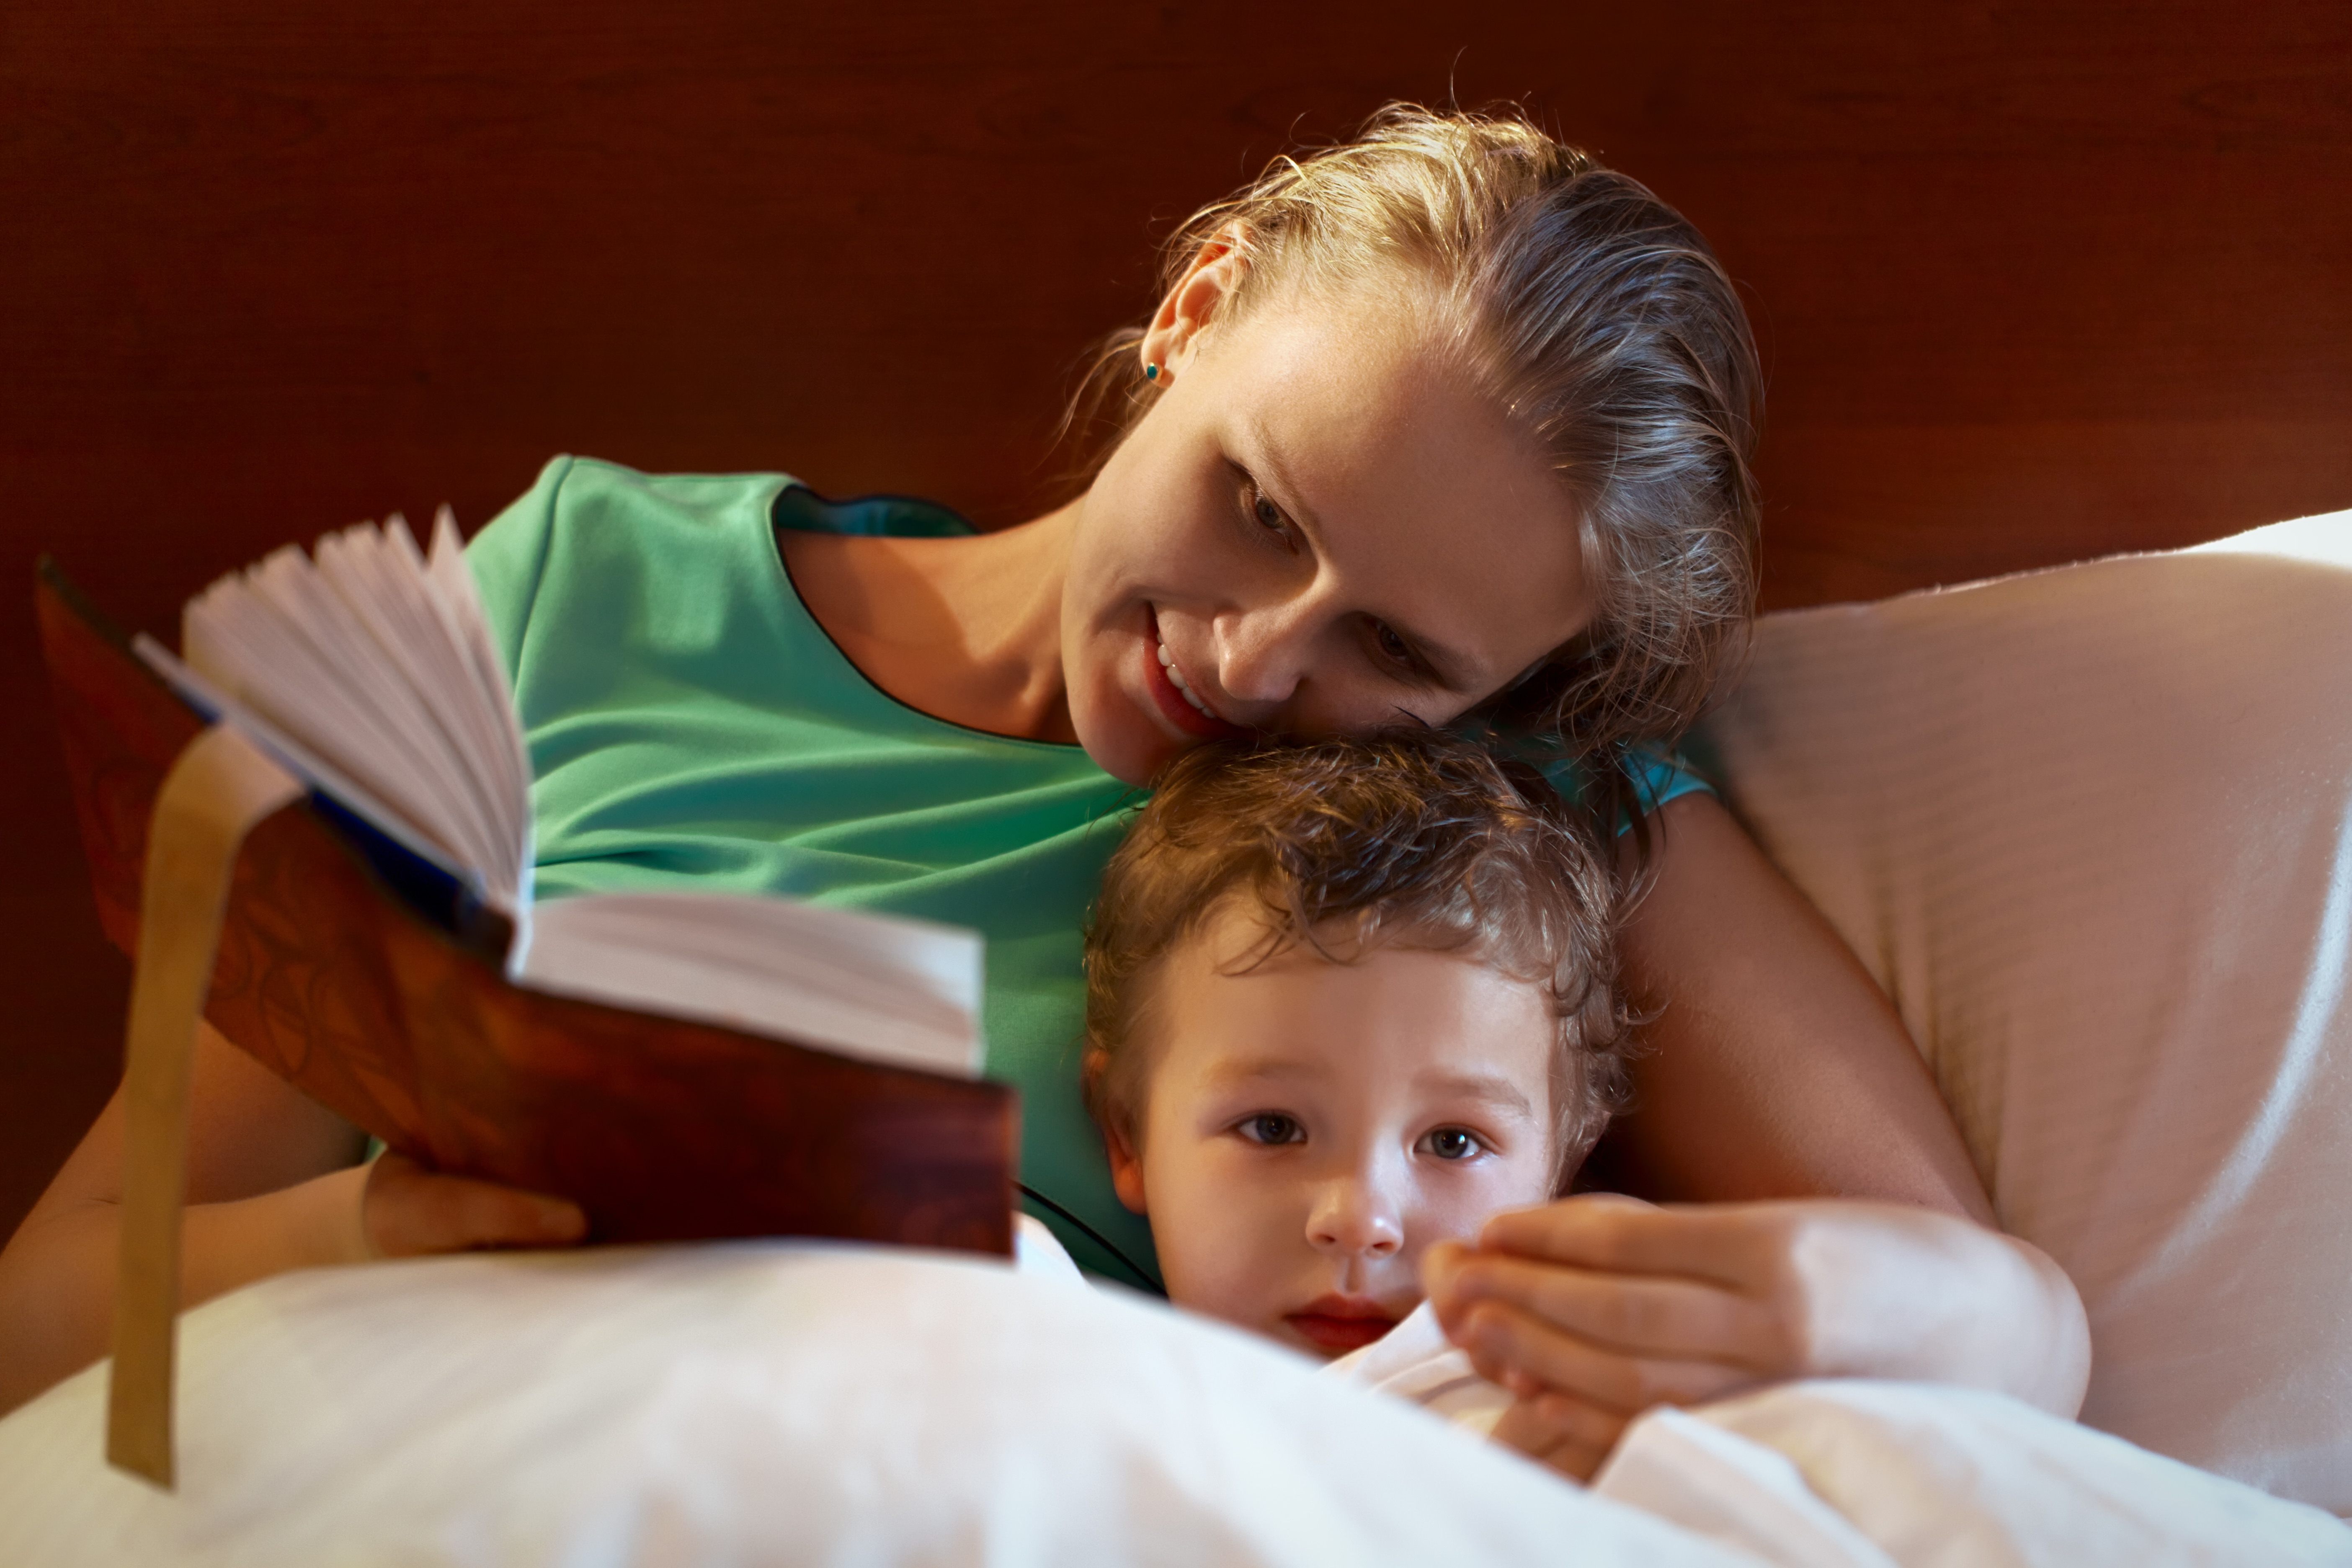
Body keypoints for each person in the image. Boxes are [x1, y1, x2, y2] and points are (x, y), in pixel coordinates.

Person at [0, 104, 2088, 1436]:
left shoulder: (1490, 819)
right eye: (1262, 506)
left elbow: (2025, 1333)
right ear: (1194, 314)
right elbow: (52, 1309)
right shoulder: (579, 592)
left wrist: (1819, 1292)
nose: (1252, 659)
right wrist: (387, 1235)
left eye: (1397, 647)